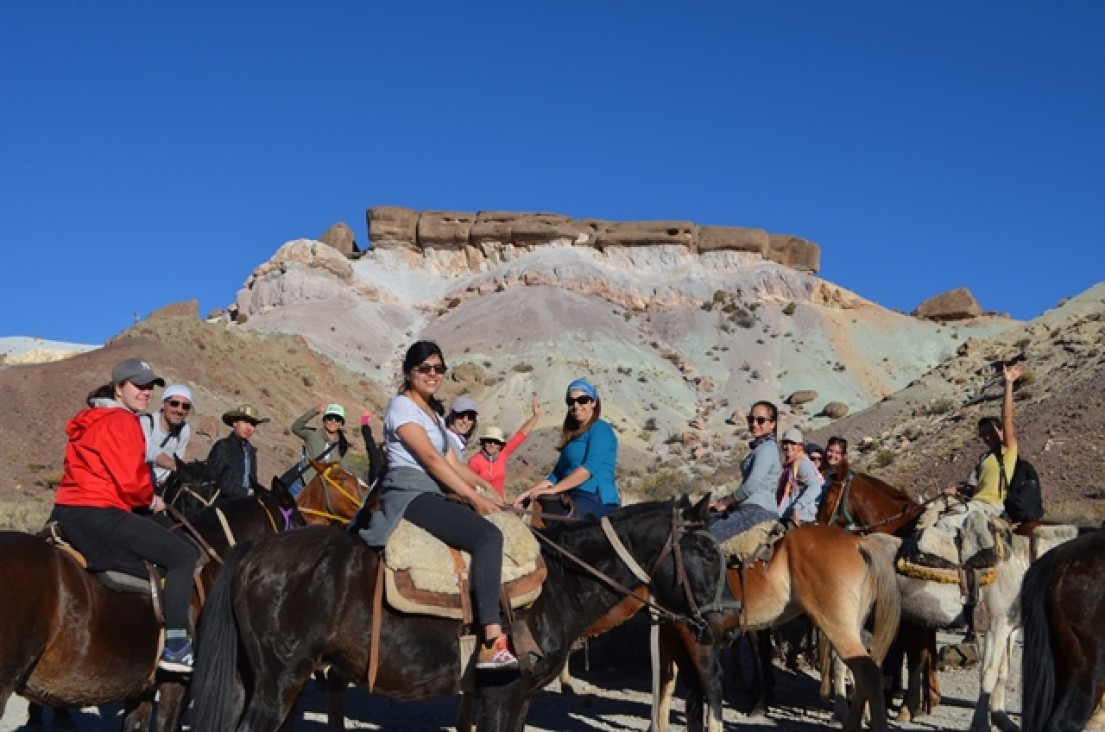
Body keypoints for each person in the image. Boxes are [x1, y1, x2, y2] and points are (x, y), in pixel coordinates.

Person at [357, 341, 518, 670]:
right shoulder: (402, 407)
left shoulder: (433, 413)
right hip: (410, 492)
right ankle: (490, 639)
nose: (433, 374)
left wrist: (486, 487)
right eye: (424, 368)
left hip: (433, 490)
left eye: (438, 368)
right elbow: (430, 460)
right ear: (408, 372)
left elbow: (452, 463)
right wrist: (474, 498)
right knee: (488, 537)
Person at [49, 359, 200, 673]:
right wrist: (152, 500)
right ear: (118, 388)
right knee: (183, 555)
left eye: (149, 387)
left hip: (64, 510)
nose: (145, 393)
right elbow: (131, 482)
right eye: (137, 385)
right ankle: (175, 646)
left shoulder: (89, 418)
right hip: (100, 511)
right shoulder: (123, 421)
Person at [512, 379, 620, 518]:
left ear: (593, 402)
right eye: (571, 401)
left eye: (582, 400)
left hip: (595, 497)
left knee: (563, 529)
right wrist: (528, 493)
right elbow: (556, 475)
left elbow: (588, 469)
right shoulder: (572, 437)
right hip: (569, 495)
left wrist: (554, 490)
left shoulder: (601, 429)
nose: (576, 405)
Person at [948, 360, 1029, 511]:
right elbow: (977, 490)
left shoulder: (1007, 449)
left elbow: (1007, 417)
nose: (987, 437)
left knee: (945, 524)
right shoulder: (984, 458)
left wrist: (1009, 384)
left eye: (991, 432)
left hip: (991, 506)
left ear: (1001, 430)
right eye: (983, 435)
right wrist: (958, 491)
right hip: (976, 504)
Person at [708, 400, 783, 542]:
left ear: (772, 424)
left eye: (760, 420)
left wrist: (725, 502)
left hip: (757, 510)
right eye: (751, 419)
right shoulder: (761, 448)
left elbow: (751, 486)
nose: (754, 424)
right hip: (749, 507)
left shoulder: (766, 449)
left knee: (706, 539)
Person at [468, 397, 541, 500]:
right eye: (489, 441)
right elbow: (469, 484)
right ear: (483, 442)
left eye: (496, 442)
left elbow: (520, 436)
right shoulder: (475, 461)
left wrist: (535, 416)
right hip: (480, 504)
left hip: (498, 504)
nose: (492, 444)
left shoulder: (502, 454)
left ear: (500, 445)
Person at [290, 402, 358, 494]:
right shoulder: (312, 434)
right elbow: (296, 428)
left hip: (322, 493)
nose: (333, 421)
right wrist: (314, 411)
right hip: (301, 485)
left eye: (337, 419)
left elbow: (343, 470)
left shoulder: (343, 446)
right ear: (324, 420)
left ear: (341, 423)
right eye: (330, 418)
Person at [206, 404, 268, 500]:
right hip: (222, 502)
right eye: (245, 422)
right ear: (235, 423)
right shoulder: (224, 446)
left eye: (253, 424)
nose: (249, 428)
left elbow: (252, 480)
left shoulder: (250, 451)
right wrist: (245, 493)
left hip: (243, 504)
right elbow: (213, 479)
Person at [140, 383, 193, 489]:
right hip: (137, 485)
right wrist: (172, 464)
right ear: (163, 404)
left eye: (185, 406)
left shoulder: (183, 430)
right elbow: (147, 448)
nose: (179, 410)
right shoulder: (145, 422)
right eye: (174, 404)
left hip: (160, 489)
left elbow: (178, 459)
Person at [775, 428, 824, 526]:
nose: (788, 447)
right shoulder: (790, 465)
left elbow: (815, 487)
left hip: (799, 518)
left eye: (793, 443)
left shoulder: (802, 463)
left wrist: (797, 507)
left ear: (800, 446)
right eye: (785, 443)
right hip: (787, 515)